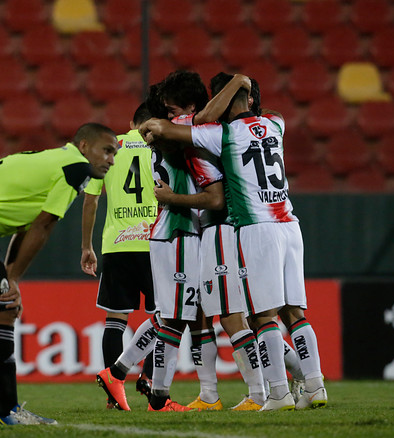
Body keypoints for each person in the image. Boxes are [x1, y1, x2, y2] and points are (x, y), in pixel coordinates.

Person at [140, 72, 328, 411]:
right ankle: (313, 384)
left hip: (248, 227)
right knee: (290, 312)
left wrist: (168, 193)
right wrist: (242, 86)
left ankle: (273, 393)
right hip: (286, 222)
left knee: (257, 315)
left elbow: (175, 129)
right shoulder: (276, 123)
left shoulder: (220, 134)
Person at [0, 123, 119, 425]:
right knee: (5, 307)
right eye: (106, 150)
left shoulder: (56, 162)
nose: (111, 159)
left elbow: (29, 226)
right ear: (84, 146)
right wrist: (13, 280)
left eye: (115, 153)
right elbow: (44, 225)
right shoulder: (76, 168)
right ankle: (8, 412)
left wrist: (10, 274)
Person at [151, 72, 267, 412]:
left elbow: (215, 199)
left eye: (173, 111)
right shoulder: (231, 130)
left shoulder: (202, 138)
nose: (169, 118)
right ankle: (213, 395)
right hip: (224, 232)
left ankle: (264, 392)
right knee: (212, 316)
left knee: (232, 316)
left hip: (223, 230)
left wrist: (171, 198)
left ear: (188, 108)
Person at [80, 103, 158, 410]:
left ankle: (114, 394)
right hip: (156, 243)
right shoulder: (161, 147)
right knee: (161, 319)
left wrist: (87, 245)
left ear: (131, 122)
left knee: (115, 318)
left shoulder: (111, 148)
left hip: (117, 243)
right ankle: (152, 381)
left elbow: (91, 200)